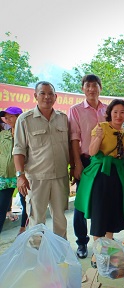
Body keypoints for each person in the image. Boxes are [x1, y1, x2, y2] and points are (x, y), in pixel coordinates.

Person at [74, 99, 124, 268]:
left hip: (117, 175)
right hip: (101, 174)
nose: (118, 115)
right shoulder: (101, 127)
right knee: (99, 211)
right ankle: (97, 253)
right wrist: (98, 138)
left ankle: (108, 249)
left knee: (113, 210)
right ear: (109, 114)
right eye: (115, 112)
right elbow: (92, 152)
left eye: (122, 112)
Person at [13, 81, 70, 238]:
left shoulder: (63, 118)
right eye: (43, 93)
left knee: (60, 218)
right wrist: (20, 176)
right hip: (36, 178)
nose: (47, 97)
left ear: (56, 97)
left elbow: (68, 148)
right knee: (37, 219)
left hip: (60, 176)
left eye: (50, 94)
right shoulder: (25, 120)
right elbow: (18, 150)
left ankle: (60, 253)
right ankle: (38, 253)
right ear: (35, 96)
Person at [68, 74, 107, 259]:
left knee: (102, 201)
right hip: (84, 161)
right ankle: (82, 242)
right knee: (81, 204)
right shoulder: (75, 110)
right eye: (88, 85)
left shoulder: (108, 110)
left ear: (100, 88)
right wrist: (76, 164)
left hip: (105, 162)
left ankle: (101, 241)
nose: (92, 89)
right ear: (83, 88)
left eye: (95, 85)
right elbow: (74, 139)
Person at [0, 107, 25, 234]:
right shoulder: (3, 135)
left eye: (11, 116)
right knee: (1, 206)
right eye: (6, 117)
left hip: (22, 175)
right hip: (5, 177)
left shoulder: (26, 134)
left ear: (19, 116)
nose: (8, 119)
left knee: (26, 203)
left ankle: (24, 230)